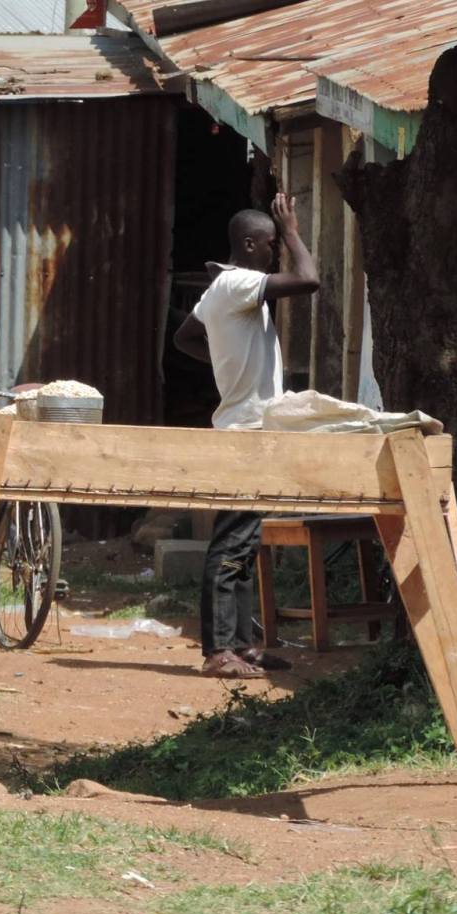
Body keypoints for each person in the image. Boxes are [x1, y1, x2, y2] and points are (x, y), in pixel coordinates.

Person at [174, 194, 319, 678]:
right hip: (245, 432)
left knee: (244, 542)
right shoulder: (237, 283)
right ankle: (218, 651)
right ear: (251, 244)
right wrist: (294, 230)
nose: (277, 251)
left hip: (248, 427)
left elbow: (184, 337)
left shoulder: (221, 289)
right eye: (273, 244)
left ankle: (240, 644)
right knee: (232, 541)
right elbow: (309, 280)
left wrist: (226, 364)